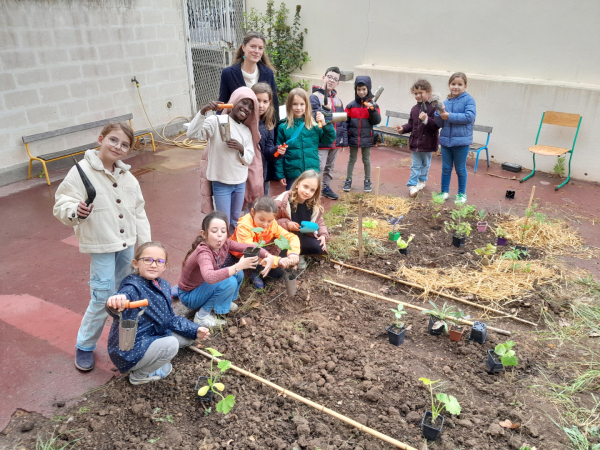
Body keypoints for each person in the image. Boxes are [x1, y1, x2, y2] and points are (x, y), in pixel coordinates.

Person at [53, 123, 151, 372]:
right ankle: (85, 345)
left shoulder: (128, 178)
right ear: (101, 139)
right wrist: (75, 211)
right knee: (101, 297)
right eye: (113, 140)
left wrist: (146, 246)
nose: (118, 147)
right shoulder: (81, 171)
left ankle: (123, 340)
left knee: (126, 294)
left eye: (125, 144)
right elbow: (61, 204)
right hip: (101, 245)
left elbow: (138, 211)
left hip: (127, 245)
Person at [106, 242, 210, 385]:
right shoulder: (132, 286)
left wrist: (195, 329)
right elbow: (120, 301)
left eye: (159, 261)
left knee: (190, 337)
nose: (153, 265)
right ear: (136, 263)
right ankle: (139, 375)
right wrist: (117, 301)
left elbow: (170, 318)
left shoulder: (164, 285)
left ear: (165, 266)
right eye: (147, 260)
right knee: (172, 344)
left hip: (153, 335)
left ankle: (157, 354)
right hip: (130, 350)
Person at [177, 211, 276, 327]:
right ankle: (202, 316)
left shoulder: (225, 243)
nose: (220, 235)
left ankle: (225, 303)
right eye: (214, 231)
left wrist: (268, 255)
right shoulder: (203, 253)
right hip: (189, 296)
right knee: (229, 281)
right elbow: (209, 277)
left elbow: (247, 247)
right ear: (204, 234)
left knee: (238, 274)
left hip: (202, 287)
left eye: (223, 231)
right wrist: (239, 266)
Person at [187, 87, 262, 233]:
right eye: (244, 102)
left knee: (235, 219)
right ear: (233, 101)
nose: (246, 108)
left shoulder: (246, 131)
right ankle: (222, 250)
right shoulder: (216, 121)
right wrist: (203, 111)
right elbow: (192, 134)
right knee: (223, 221)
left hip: (240, 182)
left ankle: (232, 250)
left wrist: (241, 148)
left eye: (250, 107)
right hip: (221, 182)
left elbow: (249, 159)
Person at [230, 196, 300, 289]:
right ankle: (250, 271)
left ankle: (255, 268)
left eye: (270, 221)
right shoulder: (244, 226)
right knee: (232, 271)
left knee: (278, 274)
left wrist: (294, 253)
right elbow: (251, 252)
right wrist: (278, 260)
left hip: (261, 252)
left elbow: (291, 237)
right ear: (252, 212)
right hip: (237, 254)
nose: (265, 224)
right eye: (261, 220)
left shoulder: (273, 224)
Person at [274, 87, 336, 190]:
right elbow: (280, 154)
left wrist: (326, 125)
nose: (298, 107)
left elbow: (329, 140)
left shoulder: (313, 125)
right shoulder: (283, 127)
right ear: (289, 105)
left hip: (311, 174)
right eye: (295, 104)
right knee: (292, 202)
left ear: (306, 105)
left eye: (302, 104)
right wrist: (280, 174)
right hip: (292, 174)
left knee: (310, 203)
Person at [434, 72, 476, 205]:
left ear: (465, 86)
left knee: (460, 169)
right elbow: (440, 124)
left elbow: (469, 117)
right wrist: (438, 114)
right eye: (453, 84)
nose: (456, 87)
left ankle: (461, 194)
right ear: (449, 85)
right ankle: (444, 192)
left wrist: (449, 116)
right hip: (446, 141)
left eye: (459, 84)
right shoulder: (445, 102)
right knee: (446, 168)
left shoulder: (469, 100)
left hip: (462, 142)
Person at [274, 170, 329, 270]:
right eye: (305, 187)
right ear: (297, 184)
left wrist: (323, 235)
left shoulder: (313, 204)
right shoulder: (282, 202)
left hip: (301, 238)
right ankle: (289, 255)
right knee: (278, 270)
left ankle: (298, 254)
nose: (307, 192)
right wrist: (287, 224)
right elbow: (271, 222)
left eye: (312, 190)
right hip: (283, 239)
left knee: (318, 246)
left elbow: (320, 222)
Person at [395, 79, 440, 197]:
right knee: (415, 164)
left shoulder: (434, 108)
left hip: (428, 142)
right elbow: (411, 124)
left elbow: (436, 125)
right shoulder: (414, 109)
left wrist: (426, 119)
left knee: (426, 163)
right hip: (416, 141)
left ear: (428, 92)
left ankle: (422, 180)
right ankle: (412, 184)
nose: (418, 95)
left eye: (421, 93)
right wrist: (403, 129)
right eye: (415, 93)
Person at [309, 66, 348, 200]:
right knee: (319, 166)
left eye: (335, 79)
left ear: (338, 83)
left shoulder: (338, 101)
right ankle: (315, 189)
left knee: (330, 167)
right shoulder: (315, 97)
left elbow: (342, 122)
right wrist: (327, 111)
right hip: (321, 141)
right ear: (323, 77)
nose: (331, 80)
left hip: (335, 141)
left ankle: (325, 187)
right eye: (329, 77)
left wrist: (342, 140)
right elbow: (314, 115)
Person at [219, 31, 279, 116]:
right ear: (243, 47)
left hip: (261, 126)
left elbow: (274, 104)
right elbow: (223, 103)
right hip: (237, 125)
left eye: (260, 48)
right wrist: (219, 125)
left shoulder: (268, 73)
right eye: (253, 47)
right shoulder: (228, 73)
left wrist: (276, 128)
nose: (257, 51)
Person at [343, 76, 381, 193]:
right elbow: (345, 123)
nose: (361, 92)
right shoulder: (350, 106)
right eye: (358, 89)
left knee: (366, 159)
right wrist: (345, 139)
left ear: (368, 89)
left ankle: (367, 181)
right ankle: (348, 180)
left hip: (366, 137)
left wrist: (372, 111)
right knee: (352, 159)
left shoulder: (373, 105)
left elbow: (376, 121)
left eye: (364, 89)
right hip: (353, 137)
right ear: (355, 90)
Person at [251, 82, 277, 196]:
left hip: (262, 173)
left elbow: (268, 152)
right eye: (257, 100)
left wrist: (277, 151)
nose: (261, 105)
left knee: (262, 204)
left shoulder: (268, 124)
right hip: (245, 173)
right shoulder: (244, 121)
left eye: (265, 101)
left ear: (270, 102)